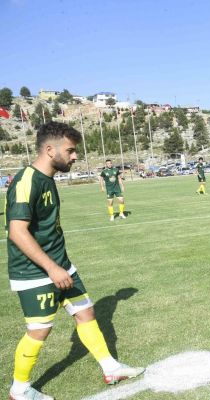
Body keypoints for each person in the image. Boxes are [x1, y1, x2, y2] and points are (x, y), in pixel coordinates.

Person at [5, 122, 144, 400]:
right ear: (49, 149)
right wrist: (52, 268)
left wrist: (61, 265)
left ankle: (110, 367)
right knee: (39, 331)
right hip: (36, 272)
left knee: (86, 312)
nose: (74, 156)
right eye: (70, 151)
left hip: (61, 265)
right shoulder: (26, 181)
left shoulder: (46, 179)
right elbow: (17, 232)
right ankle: (19, 390)